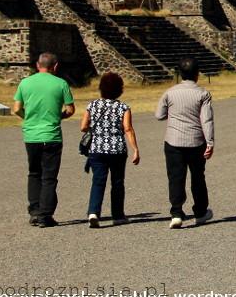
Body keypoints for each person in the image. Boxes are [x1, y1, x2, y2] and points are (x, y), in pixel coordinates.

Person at [12, 52, 74, 228]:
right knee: (49, 176)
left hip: (31, 135)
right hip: (51, 135)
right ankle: (45, 215)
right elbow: (70, 110)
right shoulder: (61, 83)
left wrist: (28, 118)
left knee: (34, 173)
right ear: (55, 67)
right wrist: (57, 117)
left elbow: (16, 109)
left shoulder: (25, 83)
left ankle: (34, 210)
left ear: (38, 65)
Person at [155, 58, 214, 229]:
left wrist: (173, 115)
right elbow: (207, 120)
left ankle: (176, 212)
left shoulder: (170, 92)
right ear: (197, 74)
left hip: (173, 141)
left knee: (175, 177)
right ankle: (201, 212)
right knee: (198, 177)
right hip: (196, 141)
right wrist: (210, 142)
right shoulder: (202, 94)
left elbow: (159, 115)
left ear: (180, 74)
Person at [81, 72, 140, 227]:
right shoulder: (123, 107)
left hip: (97, 148)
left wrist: (97, 129)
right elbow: (128, 129)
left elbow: (83, 126)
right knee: (117, 182)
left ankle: (93, 212)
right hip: (117, 150)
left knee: (98, 181)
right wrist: (135, 149)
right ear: (119, 89)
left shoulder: (92, 105)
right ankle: (118, 215)